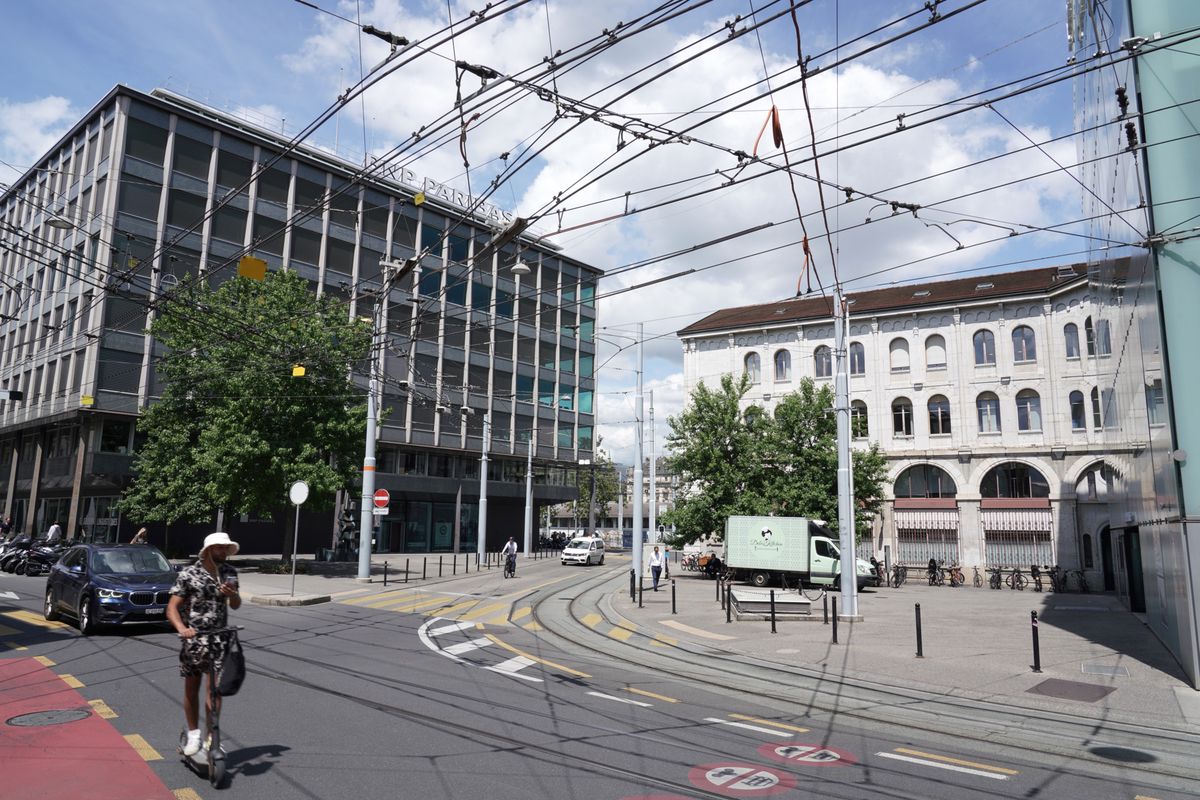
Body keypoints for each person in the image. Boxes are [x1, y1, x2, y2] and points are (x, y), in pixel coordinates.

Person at [167, 532, 241, 757]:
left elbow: (236, 605)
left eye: (226, 549)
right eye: (219, 549)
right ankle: (193, 734)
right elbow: (172, 608)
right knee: (192, 688)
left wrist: (232, 594)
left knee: (215, 690)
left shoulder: (229, 573)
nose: (224, 553)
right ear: (208, 550)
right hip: (194, 640)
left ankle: (212, 737)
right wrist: (182, 629)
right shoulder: (190, 574)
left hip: (219, 639)